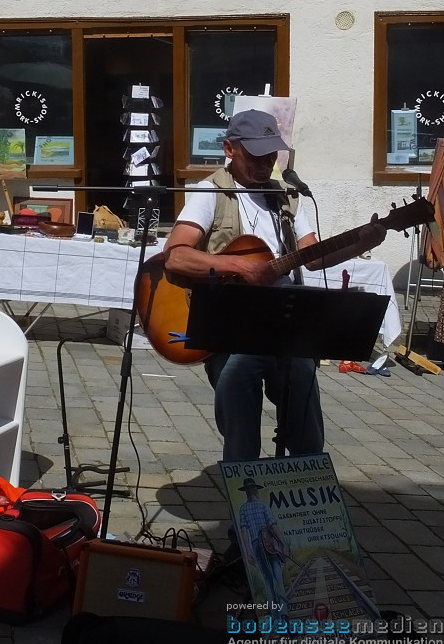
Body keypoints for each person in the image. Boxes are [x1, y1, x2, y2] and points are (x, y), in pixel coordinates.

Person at [162, 108, 386, 461]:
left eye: (271, 153)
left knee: (300, 372)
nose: (266, 162)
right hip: (228, 327)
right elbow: (176, 257)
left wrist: (361, 243)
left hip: (281, 324)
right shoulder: (211, 192)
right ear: (230, 148)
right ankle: (245, 478)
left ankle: (306, 472)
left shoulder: (287, 197)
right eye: (256, 154)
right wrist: (237, 266)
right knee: (240, 372)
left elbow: (313, 257)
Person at [236, 478, 289, 616]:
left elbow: (244, 531)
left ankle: (275, 616)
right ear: (255, 490)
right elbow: (273, 526)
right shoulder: (263, 506)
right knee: (278, 578)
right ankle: (284, 613)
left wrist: (248, 551)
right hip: (270, 545)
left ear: (246, 492)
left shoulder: (243, 509)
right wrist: (283, 543)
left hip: (256, 545)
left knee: (268, 580)